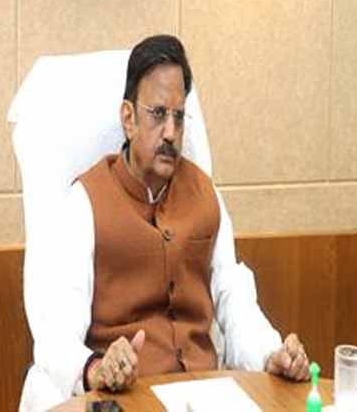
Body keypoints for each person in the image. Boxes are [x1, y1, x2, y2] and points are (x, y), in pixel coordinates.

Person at [33, 35, 311, 400]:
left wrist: (269, 353)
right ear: (128, 118)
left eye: (179, 117)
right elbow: (56, 333)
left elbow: (233, 297)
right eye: (158, 114)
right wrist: (96, 368)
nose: (171, 132)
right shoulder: (85, 203)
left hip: (207, 393)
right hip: (126, 398)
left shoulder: (205, 194)